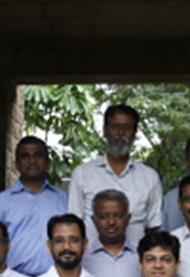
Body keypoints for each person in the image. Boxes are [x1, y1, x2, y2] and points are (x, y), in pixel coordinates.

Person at [67, 104, 163, 244]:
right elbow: (74, 225)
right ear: (105, 131)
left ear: (135, 133)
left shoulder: (149, 178)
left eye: (127, 128)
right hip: (91, 262)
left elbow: (151, 228)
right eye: (115, 126)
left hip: (135, 262)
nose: (120, 133)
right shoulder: (83, 174)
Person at [0, 136, 70, 277]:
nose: (32, 161)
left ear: (48, 163)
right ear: (17, 164)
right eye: (25, 156)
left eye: (38, 156)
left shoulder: (65, 200)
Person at [82, 189, 142, 277]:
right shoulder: (83, 259)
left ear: (128, 218)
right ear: (93, 220)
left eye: (118, 215)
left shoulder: (142, 256)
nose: (111, 222)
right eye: (103, 217)